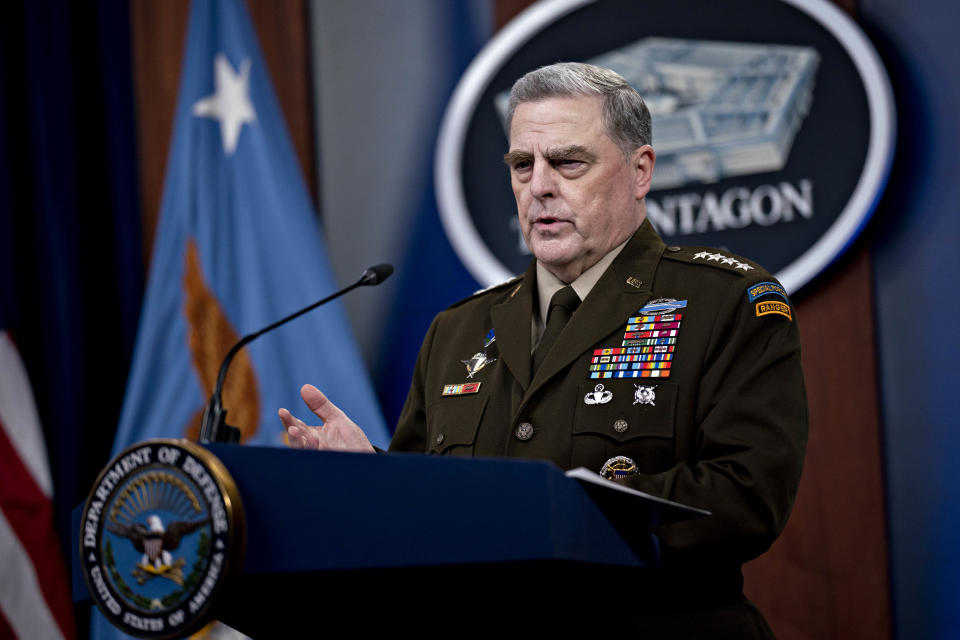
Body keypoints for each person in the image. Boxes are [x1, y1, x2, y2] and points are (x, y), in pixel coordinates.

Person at [279, 62, 807, 637]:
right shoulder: (458, 329)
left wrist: (556, 513)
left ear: (640, 170)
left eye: (567, 162)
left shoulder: (723, 302)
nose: (539, 186)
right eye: (522, 165)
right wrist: (371, 478)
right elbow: (428, 510)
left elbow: (746, 496)